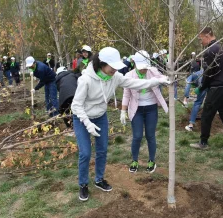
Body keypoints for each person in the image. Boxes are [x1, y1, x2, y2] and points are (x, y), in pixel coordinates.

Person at [71, 47, 170, 201]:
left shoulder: (115, 77)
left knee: (102, 150)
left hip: (100, 117)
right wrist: (87, 123)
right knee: (85, 153)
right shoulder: (86, 80)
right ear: (102, 64)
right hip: (82, 118)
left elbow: (134, 83)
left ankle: (99, 179)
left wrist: (157, 80)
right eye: (112, 67)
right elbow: (76, 106)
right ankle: (83, 185)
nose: (115, 70)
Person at [190, 27, 223, 151]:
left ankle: (203, 143)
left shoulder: (210, 51)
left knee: (206, 115)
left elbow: (209, 73)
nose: (200, 42)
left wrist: (201, 87)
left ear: (207, 36)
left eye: (201, 38)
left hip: (216, 89)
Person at [121, 50, 168, 173]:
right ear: (135, 64)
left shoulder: (152, 71)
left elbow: (162, 77)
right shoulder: (129, 76)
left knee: (150, 135)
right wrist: (123, 111)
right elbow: (126, 95)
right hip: (136, 109)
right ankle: (134, 160)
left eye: (145, 67)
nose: (143, 70)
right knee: (137, 136)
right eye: (141, 68)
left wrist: (165, 79)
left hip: (151, 108)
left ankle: (151, 160)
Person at [184, 62, 206, 132]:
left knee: (197, 103)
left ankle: (191, 125)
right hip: (214, 85)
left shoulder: (193, 74)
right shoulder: (204, 70)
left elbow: (188, 86)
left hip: (203, 85)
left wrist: (186, 98)